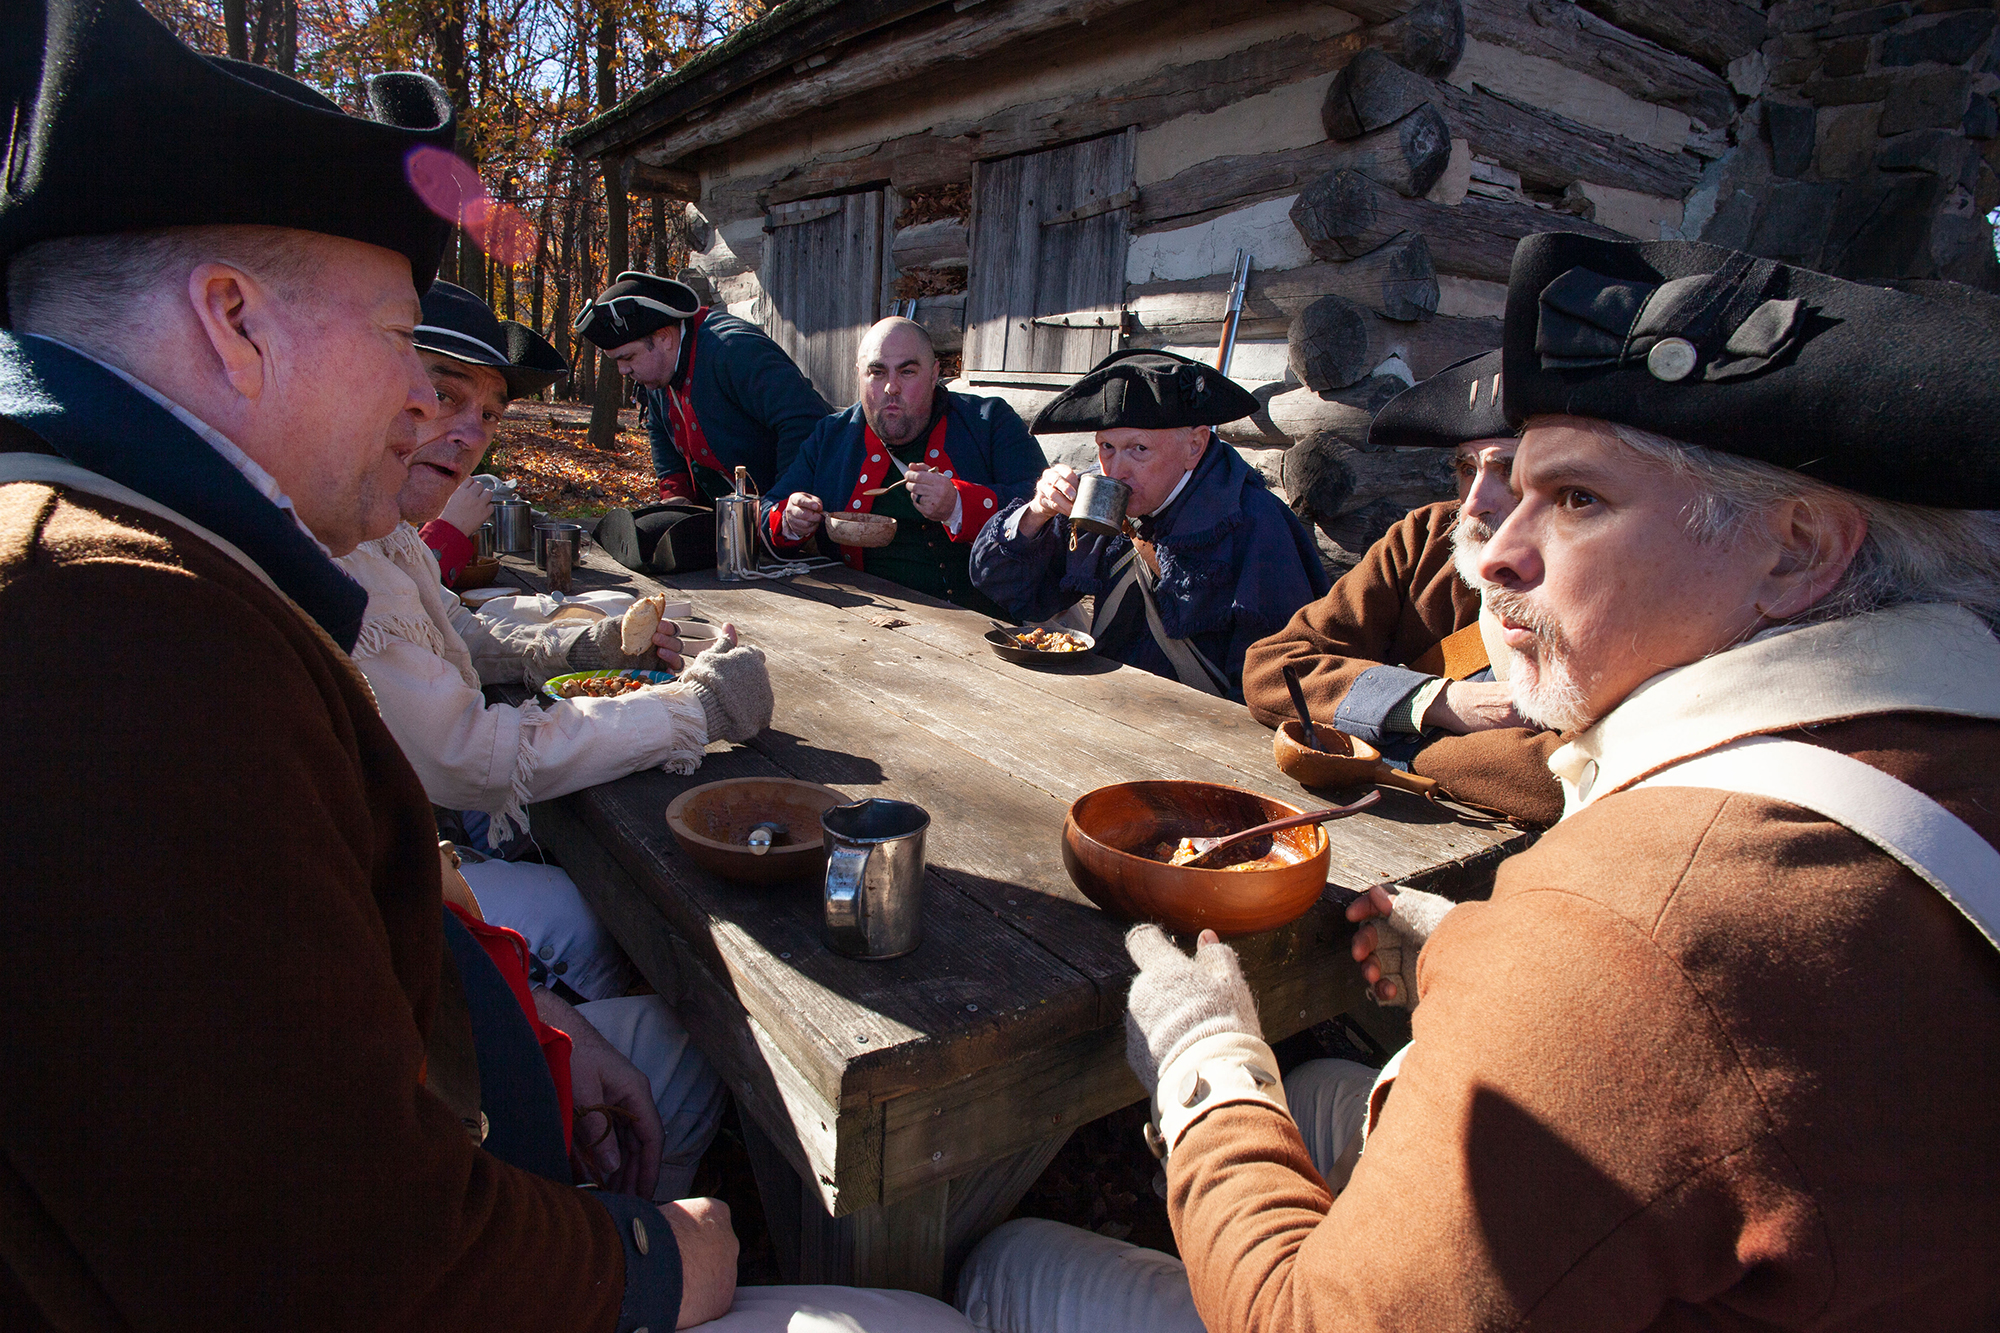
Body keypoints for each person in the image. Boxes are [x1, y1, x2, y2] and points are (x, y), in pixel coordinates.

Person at [1, 6, 979, 1328]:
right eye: (405, 340)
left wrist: (533, 1048)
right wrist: (646, 1265)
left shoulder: (148, 575)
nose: (425, 404)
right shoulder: (113, 639)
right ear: (233, 322)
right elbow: (341, 1263)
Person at [957, 235, 2000, 1331]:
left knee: (1005, 1262)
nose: (1493, 552)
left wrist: (1204, 1061)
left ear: (1794, 552)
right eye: (1500, 486)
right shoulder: (1930, 746)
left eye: (1578, 498)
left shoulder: (1633, 926)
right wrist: (1463, 948)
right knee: (1322, 1093)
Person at [337, 281, 766, 1026]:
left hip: (402, 835)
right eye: (445, 395)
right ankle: (617, 1052)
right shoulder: (343, 543)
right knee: (595, 914)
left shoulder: (381, 526)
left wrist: (592, 641)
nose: (471, 434)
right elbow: (472, 755)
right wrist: (691, 708)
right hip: (373, 889)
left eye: (489, 415)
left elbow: (463, 631)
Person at [1242, 351, 1563, 826]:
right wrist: (1437, 703)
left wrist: (1384, 744)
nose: (1474, 502)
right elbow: (1273, 670)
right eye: (1467, 468)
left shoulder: (1604, 575)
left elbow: (1568, 780)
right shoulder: (1428, 538)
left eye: (1507, 471)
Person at [970, 349, 1329, 701]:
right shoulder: (1099, 495)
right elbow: (1002, 584)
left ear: (1195, 445)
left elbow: (1278, 681)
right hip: (1106, 703)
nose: (1116, 469)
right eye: (1107, 446)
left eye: (1139, 448)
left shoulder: (1256, 524)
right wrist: (1038, 511)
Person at [764, 317, 1044, 613]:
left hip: (985, 624)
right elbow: (770, 510)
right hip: (864, 621)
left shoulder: (990, 422)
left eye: (907, 372)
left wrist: (958, 504)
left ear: (935, 374)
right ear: (859, 374)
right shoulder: (830, 437)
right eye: (877, 372)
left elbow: (1043, 510)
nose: (891, 388)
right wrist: (790, 520)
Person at [574, 270, 829, 504]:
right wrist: (676, 495)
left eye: (628, 357)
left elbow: (804, 421)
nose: (623, 370)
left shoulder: (733, 351)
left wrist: (781, 506)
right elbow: (660, 427)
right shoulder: (658, 373)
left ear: (664, 337)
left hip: (811, 507)